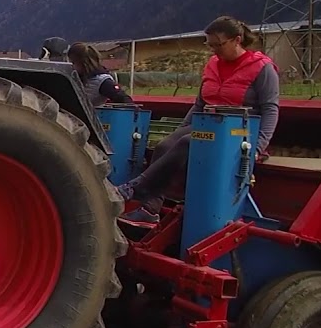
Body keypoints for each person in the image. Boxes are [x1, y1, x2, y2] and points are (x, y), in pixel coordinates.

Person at [116, 16, 280, 227]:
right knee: (165, 145)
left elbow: (270, 109)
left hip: (238, 132)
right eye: (210, 45)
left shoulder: (261, 68)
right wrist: (181, 129)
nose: (214, 50)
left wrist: (258, 146)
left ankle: (134, 187)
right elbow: (200, 104)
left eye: (218, 45)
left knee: (187, 142)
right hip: (208, 126)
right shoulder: (213, 65)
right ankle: (150, 209)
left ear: (236, 40)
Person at [68, 42, 134, 106]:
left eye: (73, 62)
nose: (71, 66)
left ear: (84, 63)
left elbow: (124, 100)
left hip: (91, 116)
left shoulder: (103, 81)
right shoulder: (73, 77)